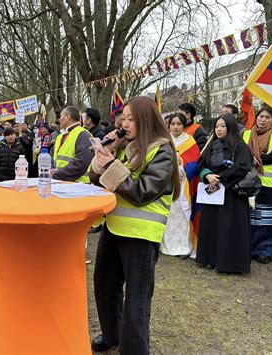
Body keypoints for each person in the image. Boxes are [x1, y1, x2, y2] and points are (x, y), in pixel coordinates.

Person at [90, 96, 179, 354]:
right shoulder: (126, 146)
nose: (125, 123)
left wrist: (111, 165)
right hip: (115, 226)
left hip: (141, 233)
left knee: (136, 300)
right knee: (105, 283)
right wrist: (101, 160)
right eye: (124, 118)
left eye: (131, 119)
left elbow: (142, 192)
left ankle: (134, 349)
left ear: (146, 119)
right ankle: (111, 334)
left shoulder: (162, 149)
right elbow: (99, 180)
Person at [196, 114, 253, 273]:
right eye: (216, 126)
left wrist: (221, 179)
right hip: (212, 193)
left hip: (231, 194)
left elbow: (242, 167)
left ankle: (229, 263)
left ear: (231, 127)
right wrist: (207, 175)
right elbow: (201, 164)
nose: (218, 129)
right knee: (212, 226)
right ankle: (209, 258)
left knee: (228, 228)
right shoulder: (211, 144)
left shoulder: (240, 146)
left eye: (222, 126)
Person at [243, 107, 272, 264]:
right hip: (248, 181)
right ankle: (249, 247)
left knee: (266, 218)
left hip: (269, 183)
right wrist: (249, 158)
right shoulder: (246, 134)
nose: (263, 119)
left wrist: (255, 159)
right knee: (250, 216)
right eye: (261, 116)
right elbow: (241, 151)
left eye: (267, 117)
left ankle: (265, 251)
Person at [161, 113, 201, 259]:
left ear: (184, 125)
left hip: (184, 186)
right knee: (168, 213)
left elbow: (195, 165)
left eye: (179, 124)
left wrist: (182, 165)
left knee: (183, 215)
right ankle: (166, 245)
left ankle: (183, 247)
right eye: (173, 124)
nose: (175, 127)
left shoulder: (190, 142)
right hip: (166, 184)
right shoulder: (164, 141)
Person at [53, 106, 93, 182]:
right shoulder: (59, 137)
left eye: (61, 116)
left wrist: (56, 175)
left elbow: (80, 164)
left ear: (67, 117)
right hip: (61, 183)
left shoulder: (84, 135)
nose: (59, 120)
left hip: (78, 186)